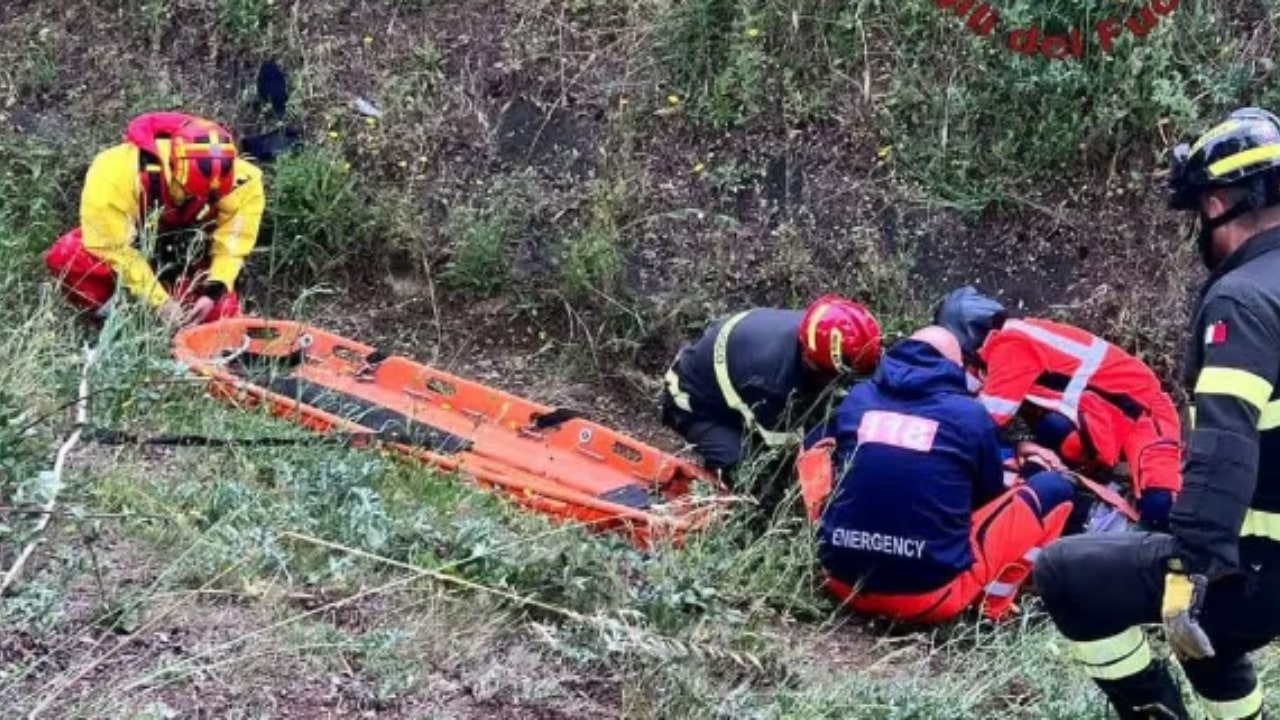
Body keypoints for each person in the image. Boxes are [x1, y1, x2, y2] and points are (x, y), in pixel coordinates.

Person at [1033, 106, 1280, 720]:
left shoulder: (1243, 298)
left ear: (1221, 200)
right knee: (1214, 631)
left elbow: (1226, 441)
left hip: (1268, 564)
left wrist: (1193, 569)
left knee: (1066, 573)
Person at [796, 325, 1076, 624]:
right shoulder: (970, 415)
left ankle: (818, 531)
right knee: (1055, 489)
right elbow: (987, 501)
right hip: (929, 598)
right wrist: (1030, 467)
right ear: (954, 368)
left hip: (841, 582)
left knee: (819, 439)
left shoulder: (858, 398)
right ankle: (992, 609)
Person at [933, 285, 1183, 532]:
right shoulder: (1004, 346)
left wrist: (932, 434)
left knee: (1160, 505)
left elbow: (983, 419)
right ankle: (1098, 491)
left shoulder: (1010, 345)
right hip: (1108, 417)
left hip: (1144, 412)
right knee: (1054, 429)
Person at [44, 111, 265, 329]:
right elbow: (111, 246)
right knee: (67, 256)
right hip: (130, 254)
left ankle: (182, 323)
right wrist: (158, 302)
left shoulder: (243, 180)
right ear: (173, 166)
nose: (200, 200)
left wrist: (213, 290)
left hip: (187, 260)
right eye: (191, 193)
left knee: (222, 321)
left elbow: (233, 245)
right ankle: (120, 323)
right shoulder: (115, 170)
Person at [660, 294, 882, 504]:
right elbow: (786, 456)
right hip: (696, 404)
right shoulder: (772, 385)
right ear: (815, 364)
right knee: (757, 479)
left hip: (733, 366)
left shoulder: (816, 331)